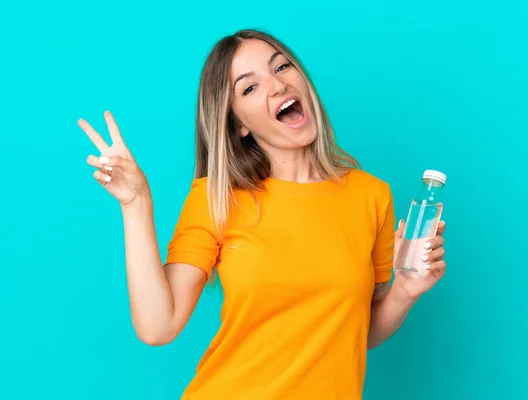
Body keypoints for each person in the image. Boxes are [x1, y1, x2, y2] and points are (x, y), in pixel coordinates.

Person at [79, 29, 447, 400]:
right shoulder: (217, 199)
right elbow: (158, 327)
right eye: (249, 88)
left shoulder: (371, 195)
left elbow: (353, 333)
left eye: (282, 67)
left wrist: (404, 291)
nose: (276, 86)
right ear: (239, 124)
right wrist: (135, 205)